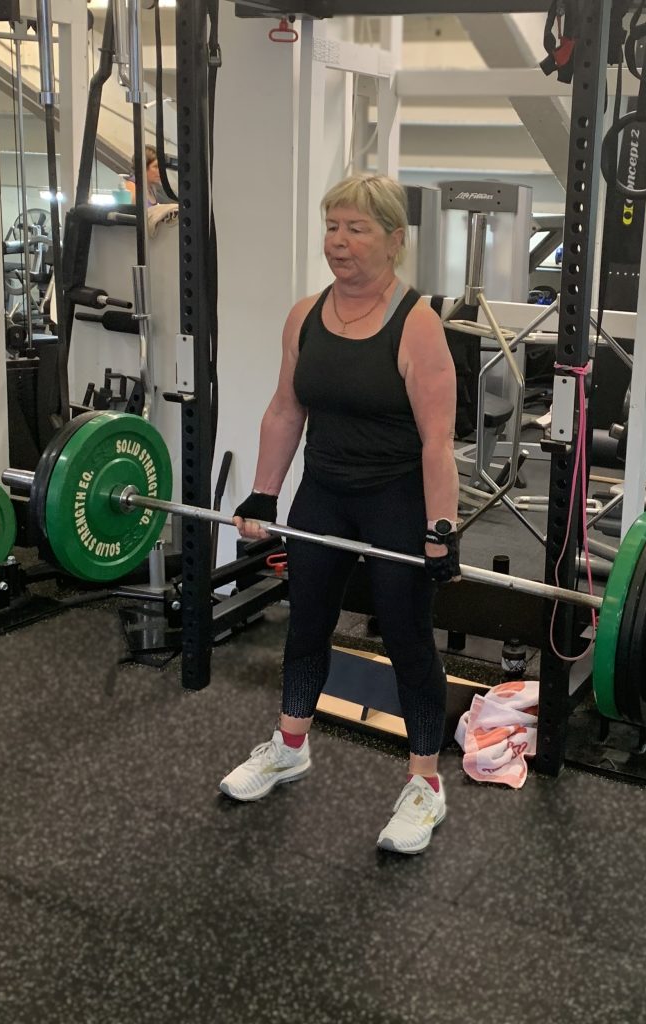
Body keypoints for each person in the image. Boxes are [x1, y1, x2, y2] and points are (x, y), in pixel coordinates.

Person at [220, 174, 461, 855]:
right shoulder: (304, 316)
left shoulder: (416, 324)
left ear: (394, 240)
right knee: (308, 622)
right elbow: (285, 409)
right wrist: (266, 494)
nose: (339, 243)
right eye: (332, 227)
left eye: (356, 229)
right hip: (322, 492)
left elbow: (439, 440)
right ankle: (290, 744)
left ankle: (424, 785)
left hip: (395, 498)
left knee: (407, 637)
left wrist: (441, 528)